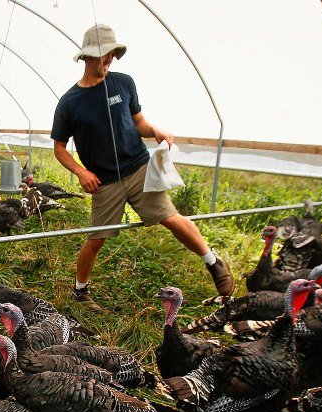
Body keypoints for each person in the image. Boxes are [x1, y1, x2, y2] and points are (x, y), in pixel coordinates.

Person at [51, 24, 235, 312]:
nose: (110, 60)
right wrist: (81, 172)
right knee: (97, 238)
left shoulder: (124, 83)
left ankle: (214, 263)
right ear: (87, 57)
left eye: (112, 54)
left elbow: (138, 122)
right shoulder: (69, 103)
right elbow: (59, 148)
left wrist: (155, 130)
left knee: (171, 218)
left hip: (138, 168)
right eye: (104, 55)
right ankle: (81, 290)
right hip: (105, 181)